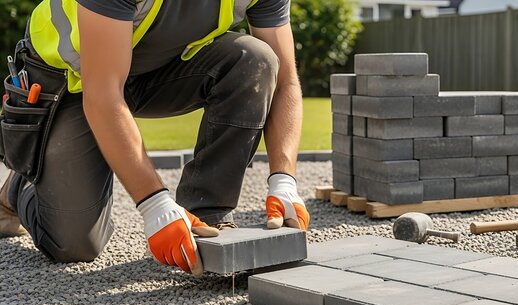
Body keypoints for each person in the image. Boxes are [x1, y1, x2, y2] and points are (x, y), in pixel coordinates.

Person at [0, 0, 310, 276]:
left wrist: (284, 180)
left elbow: (286, 81)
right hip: (72, 77)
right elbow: (102, 94)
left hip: (157, 68)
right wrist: (155, 205)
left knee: (256, 60)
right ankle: (18, 187)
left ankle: (206, 217)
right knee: (74, 245)